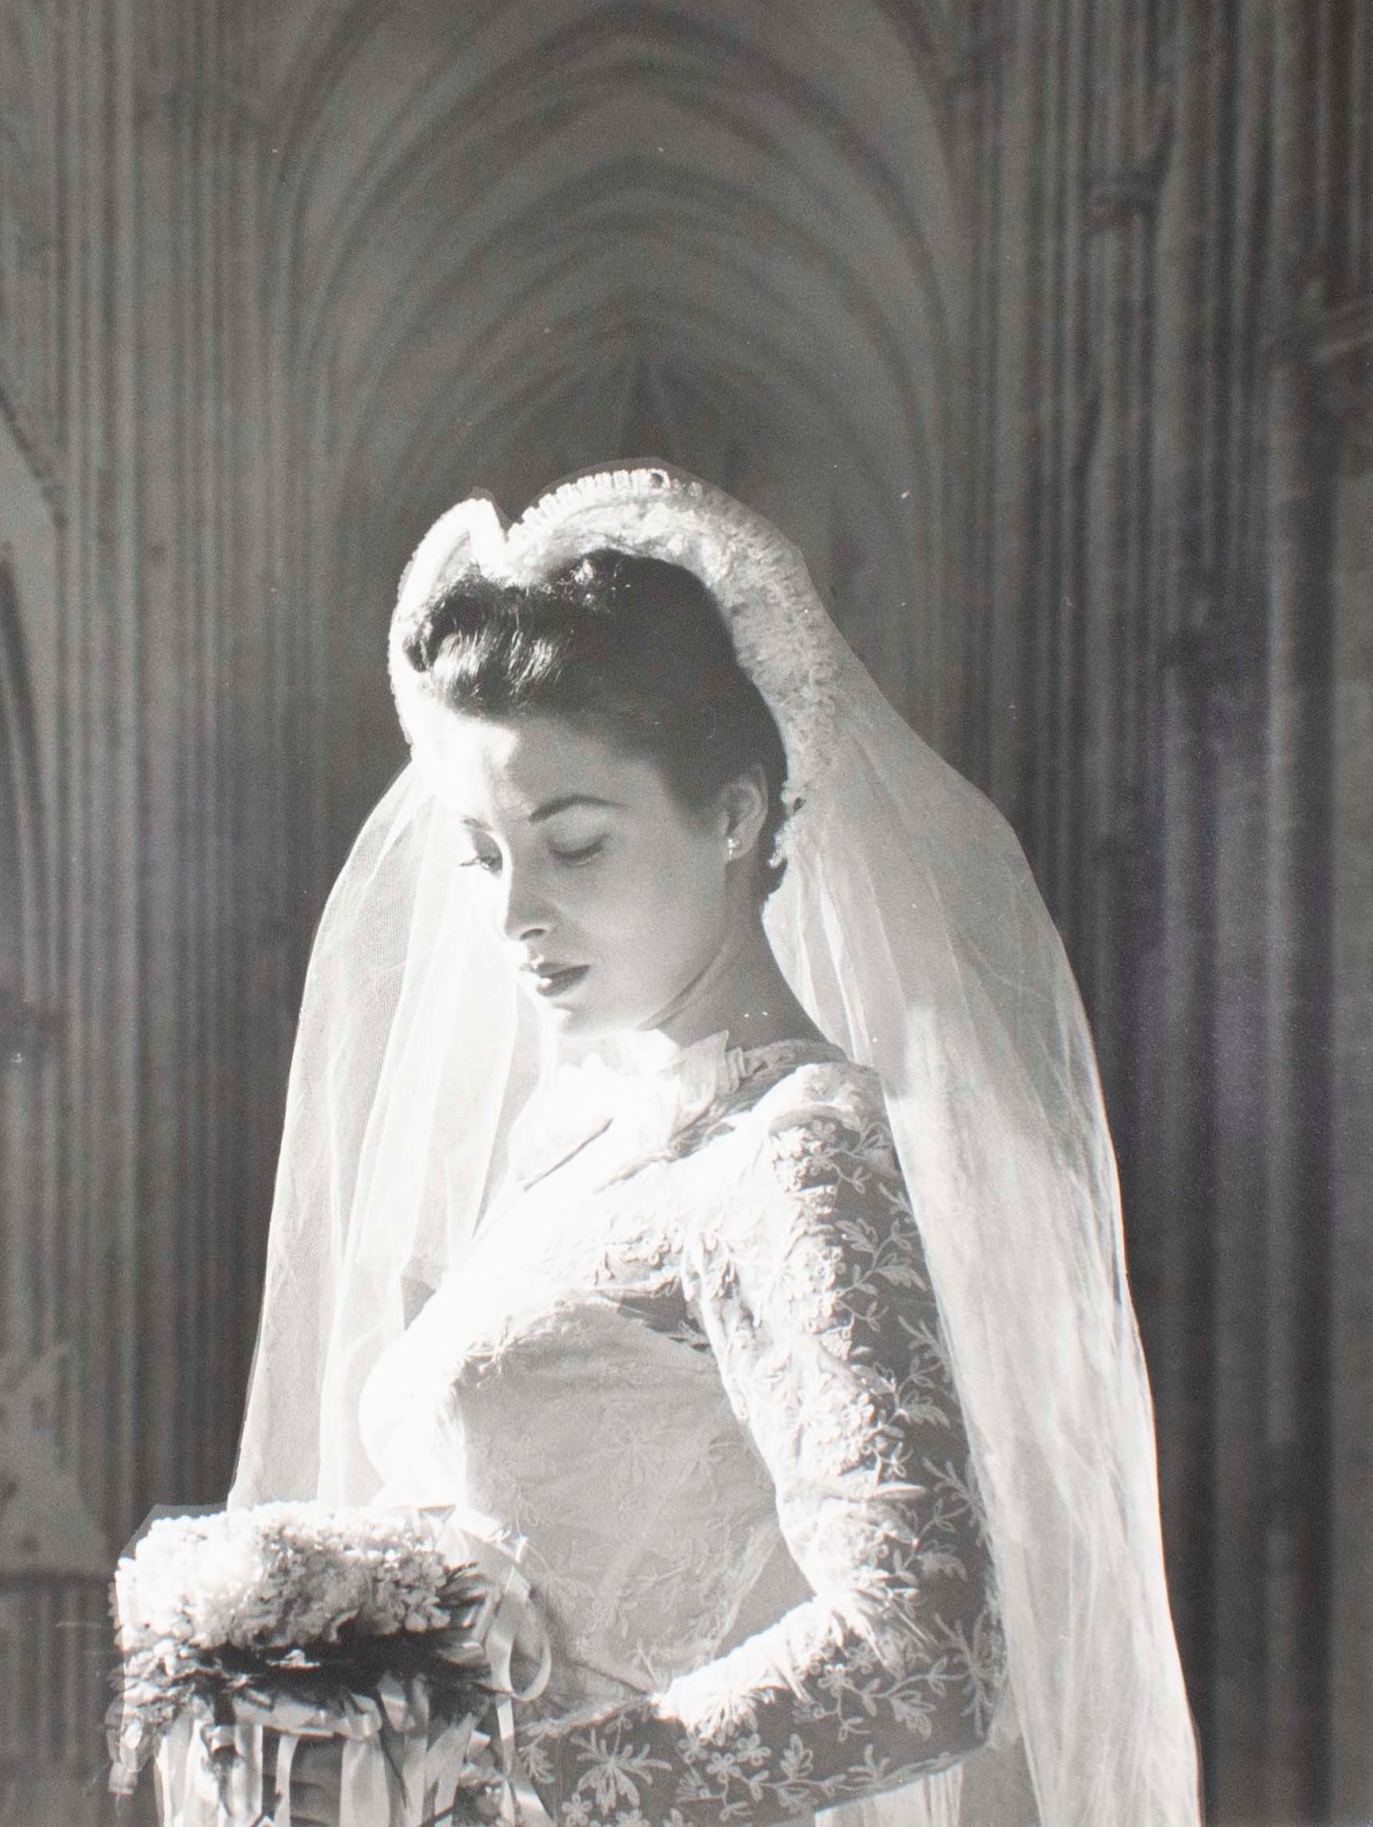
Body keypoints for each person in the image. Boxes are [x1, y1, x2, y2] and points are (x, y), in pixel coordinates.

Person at [230, 462, 1201, 1826]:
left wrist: (504, 1796)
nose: (513, 916)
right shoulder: (585, 1137)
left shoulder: (793, 1154)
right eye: (483, 855)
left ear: (735, 815)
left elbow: (925, 1655)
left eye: (574, 845)